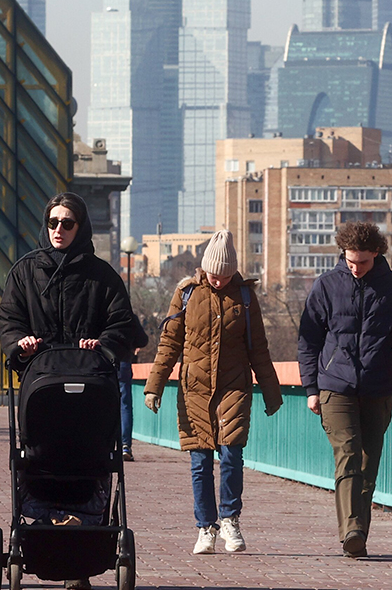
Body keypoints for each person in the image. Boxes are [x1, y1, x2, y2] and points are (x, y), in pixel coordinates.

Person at [0, 192, 136, 590]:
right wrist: (19, 343)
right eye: (54, 222)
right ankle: (44, 527)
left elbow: (121, 323)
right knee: (40, 453)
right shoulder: (26, 271)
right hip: (42, 386)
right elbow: (8, 318)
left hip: (88, 387)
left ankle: (82, 548)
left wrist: (104, 345)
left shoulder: (101, 275)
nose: (59, 230)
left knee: (89, 454)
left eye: (68, 223)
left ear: (81, 227)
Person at [144, 230, 282, 555]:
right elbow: (169, 344)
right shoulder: (187, 294)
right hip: (195, 391)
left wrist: (272, 393)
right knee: (199, 461)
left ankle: (230, 520)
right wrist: (154, 386)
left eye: (224, 275)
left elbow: (259, 348)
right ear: (204, 268)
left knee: (232, 456)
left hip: (234, 387)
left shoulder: (246, 299)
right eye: (213, 274)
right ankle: (206, 528)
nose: (218, 281)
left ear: (233, 271)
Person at [297, 220, 392, 559]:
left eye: (362, 263)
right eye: (350, 261)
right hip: (334, 386)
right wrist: (311, 387)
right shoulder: (326, 286)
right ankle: (351, 529)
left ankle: (358, 533)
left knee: (368, 463)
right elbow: (308, 342)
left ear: (377, 253)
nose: (355, 268)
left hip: (378, 386)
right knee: (348, 453)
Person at [119, 315, 149, 462]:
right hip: (123, 361)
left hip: (101, 361)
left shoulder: (99, 311)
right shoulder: (128, 316)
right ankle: (125, 446)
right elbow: (143, 340)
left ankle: (102, 444)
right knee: (124, 405)